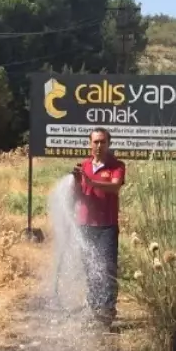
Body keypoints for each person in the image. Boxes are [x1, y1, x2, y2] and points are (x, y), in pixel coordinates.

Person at [73, 128, 126, 328]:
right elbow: (78, 194)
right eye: (95, 142)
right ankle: (94, 308)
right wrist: (77, 183)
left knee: (107, 268)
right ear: (90, 144)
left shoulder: (117, 165)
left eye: (102, 142)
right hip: (85, 225)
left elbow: (114, 186)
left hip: (107, 227)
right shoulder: (84, 166)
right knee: (90, 267)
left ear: (108, 144)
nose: (98, 146)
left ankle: (108, 311)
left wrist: (91, 181)